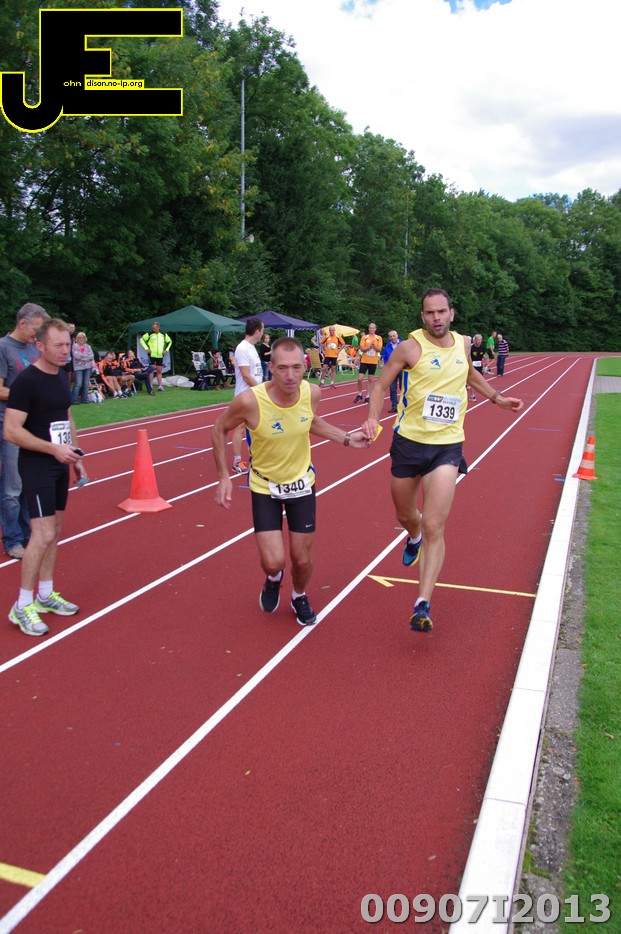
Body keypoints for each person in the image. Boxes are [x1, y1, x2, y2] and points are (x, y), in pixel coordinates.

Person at [363, 288, 523, 633]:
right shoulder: (410, 348)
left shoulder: (464, 344)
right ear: (423, 316)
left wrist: (497, 398)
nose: (436, 318)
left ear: (452, 313)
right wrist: (373, 416)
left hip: (447, 446)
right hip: (409, 443)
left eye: (441, 311)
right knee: (406, 514)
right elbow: (379, 385)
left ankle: (422, 603)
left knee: (436, 525)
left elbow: (469, 375)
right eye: (429, 312)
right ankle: (413, 533)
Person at [212, 337, 370, 626]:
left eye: (296, 367)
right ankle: (273, 578)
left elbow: (309, 421)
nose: (290, 375)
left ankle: (299, 595)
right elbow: (219, 428)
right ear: (271, 367)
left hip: (301, 483)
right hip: (264, 486)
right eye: (282, 368)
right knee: (273, 561)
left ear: (304, 367)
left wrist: (346, 438)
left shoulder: (312, 393)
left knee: (302, 559)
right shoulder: (250, 401)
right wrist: (223, 477)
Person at [4, 318, 85, 636]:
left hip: (60, 463)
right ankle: (22, 605)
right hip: (37, 464)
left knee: (55, 532)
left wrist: (75, 455)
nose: (66, 351)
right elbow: (11, 431)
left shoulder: (62, 376)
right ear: (40, 346)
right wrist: (53, 450)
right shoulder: (27, 382)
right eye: (58, 345)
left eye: (68, 344)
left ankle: (45, 594)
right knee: (41, 533)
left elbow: (66, 417)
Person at [0, 302, 50, 560]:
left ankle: (29, 533)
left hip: (33, 424)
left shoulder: (34, 349)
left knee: (29, 482)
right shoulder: (3, 348)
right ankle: (12, 539)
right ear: (22, 323)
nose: (38, 334)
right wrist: (27, 396)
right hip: (9, 424)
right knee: (12, 486)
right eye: (36, 328)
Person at [231, 317, 264, 474]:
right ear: (257, 331)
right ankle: (237, 461)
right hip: (244, 394)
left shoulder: (251, 348)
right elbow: (245, 375)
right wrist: (261, 391)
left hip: (254, 393)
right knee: (240, 427)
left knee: (255, 426)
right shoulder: (242, 348)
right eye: (262, 330)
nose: (263, 333)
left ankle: (256, 457)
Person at [353, 322, 383, 403]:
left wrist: (374, 346)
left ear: (375, 329)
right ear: (368, 329)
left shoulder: (378, 338)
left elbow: (379, 349)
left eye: (373, 328)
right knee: (360, 378)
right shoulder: (364, 337)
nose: (371, 329)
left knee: (370, 379)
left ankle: (368, 396)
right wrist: (369, 347)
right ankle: (360, 394)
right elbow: (362, 349)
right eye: (370, 328)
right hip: (364, 361)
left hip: (373, 361)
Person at [140, 321, 172, 391]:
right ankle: (150, 385)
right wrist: (146, 348)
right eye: (152, 328)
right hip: (152, 354)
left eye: (154, 328)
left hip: (160, 355)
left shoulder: (163, 334)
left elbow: (170, 342)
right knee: (151, 370)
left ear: (158, 327)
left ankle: (160, 386)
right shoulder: (150, 334)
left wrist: (166, 350)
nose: (153, 330)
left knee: (159, 371)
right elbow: (141, 340)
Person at [70, 331, 96, 404]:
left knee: (86, 384)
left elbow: (92, 356)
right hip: (78, 368)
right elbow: (76, 356)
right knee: (78, 383)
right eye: (80, 338)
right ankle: (74, 400)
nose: (81, 339)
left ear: (85, 339)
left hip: (88, 367)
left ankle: (84, 399)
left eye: (83, 338)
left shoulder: (88, 346)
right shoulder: (74, 346)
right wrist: (86, 357)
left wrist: (83, 356)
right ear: (77, 339)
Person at [382, 329, 402, 413]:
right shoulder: (388, 346)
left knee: (403, 388)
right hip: (392, 370)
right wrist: (387, 365)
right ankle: (394, 406)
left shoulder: (403, 344)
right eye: (391, 336)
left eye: (394, 336)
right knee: (392, 388)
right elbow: (385, 356)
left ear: (397, 336)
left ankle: (404, 405)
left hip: (402, 368)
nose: (392, 337)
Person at [466, 333, 486, 402]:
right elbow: (468, 356)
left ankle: (469, 388)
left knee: (479, 381)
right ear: (475, 341)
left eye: (480, 340)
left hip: (479, 365)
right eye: (478, 340)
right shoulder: (471, 348)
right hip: (472, 365)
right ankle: (472, 395)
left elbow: (482, 354)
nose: (479, 341)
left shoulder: (482, 347)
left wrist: (485, 359)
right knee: (474, 381)